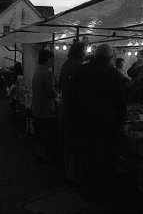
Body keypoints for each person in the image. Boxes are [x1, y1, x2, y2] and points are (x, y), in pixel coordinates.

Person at [69, 43, 126, 200]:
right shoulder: (113, 73)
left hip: (82, 121)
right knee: (100, 157)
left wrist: (72, 118)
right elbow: (120, 103)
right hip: (103, 123)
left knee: (84, 155)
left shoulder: (81, 70)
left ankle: (85, 188)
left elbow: (71, 97)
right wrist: (119, 124)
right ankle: (98, 189)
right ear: (109, 57)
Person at [58, 42, 86, 182]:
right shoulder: (78, 67)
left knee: (67, 142)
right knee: (73, 143)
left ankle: (67, 171)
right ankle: (72, 174)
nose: (86, 53)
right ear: (80, 52)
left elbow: (59, 85)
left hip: (65, 107)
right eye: (85, 50)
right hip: (74, 110)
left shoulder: (65, 65)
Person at [32, 49, 58, 163]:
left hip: (37, 106)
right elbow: (49, 92)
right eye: (51, 59)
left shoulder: (37, 72)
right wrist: (57, 93)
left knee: (39, 132)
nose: (53, 62)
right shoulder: (47, 73)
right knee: (46, 132)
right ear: (46, 60)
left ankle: (39, 153)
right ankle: (45, 155)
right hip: (45, 108)